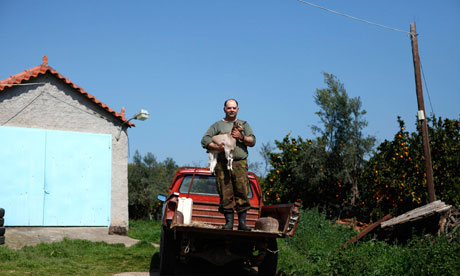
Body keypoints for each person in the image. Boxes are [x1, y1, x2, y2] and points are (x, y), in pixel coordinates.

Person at [201, 99, 256, 231]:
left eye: (234, 108)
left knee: (242, 191)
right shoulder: (217, 125)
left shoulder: (243, 124)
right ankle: (229, 223)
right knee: (225, 193)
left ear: (237, 109)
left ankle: (242, 224)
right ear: (224, 109)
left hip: (239, 164)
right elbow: (205, 139)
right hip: (222, 164)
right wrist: (215, 146)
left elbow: (252, 141)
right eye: (229, 108)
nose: (231, 110)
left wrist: (241, 137)